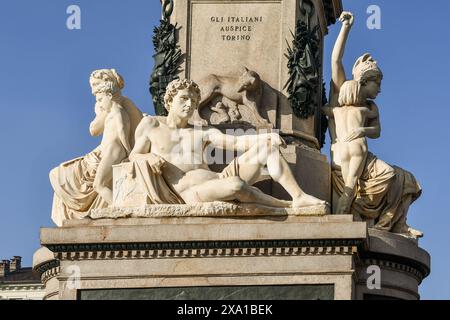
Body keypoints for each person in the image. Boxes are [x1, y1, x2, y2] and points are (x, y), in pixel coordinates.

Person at [129, 78, 325, 208]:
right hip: (188, 192)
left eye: (193, 101)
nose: (189, 105)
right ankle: (286, 206)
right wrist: (149, 156)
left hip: (219, 177)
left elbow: (236, 143)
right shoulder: (151, 124)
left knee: (267, 148)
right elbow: (133, 155)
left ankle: (298, 196)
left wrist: (265, 137)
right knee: (236, 185)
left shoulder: (201, 131)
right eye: (183, 99)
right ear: (169, 101)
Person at [324, 12, 422, 238]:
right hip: (347, 153)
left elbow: (376, 132)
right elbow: (335, 61)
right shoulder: (343, 92)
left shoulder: (368, 108)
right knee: (379, 178)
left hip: (362, 153)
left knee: (405, 178)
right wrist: (346, 27)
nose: (379, 88)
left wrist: (360, 129)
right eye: (377, 83)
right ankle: (350, 220)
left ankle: (394, 224)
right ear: (364, 80)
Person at [50, 69, 143, 226]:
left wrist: (130, 154)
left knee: (65, 175)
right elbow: (96, 130)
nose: (96, 99)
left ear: (107, 92)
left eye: (98, 96)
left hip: (111, 151)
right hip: (105, 151)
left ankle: (119, 209)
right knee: (59, 175)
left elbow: (120, 131)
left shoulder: (120, 108)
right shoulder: (111, 108)